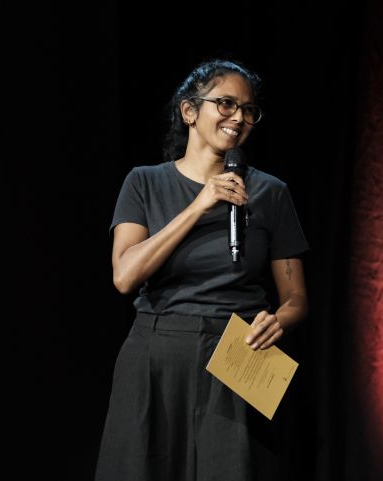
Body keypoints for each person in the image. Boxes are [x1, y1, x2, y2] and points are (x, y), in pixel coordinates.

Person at [95, 59, 309, 481]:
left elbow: (297, 299)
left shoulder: (270, 192)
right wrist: (198, 205)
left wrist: (278, 321)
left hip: (239, 349)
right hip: (157, 351)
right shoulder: (144, 183)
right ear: (189, 111)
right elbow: (124, 276)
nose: (239, 117)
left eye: (249, 110)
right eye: (226, 104)